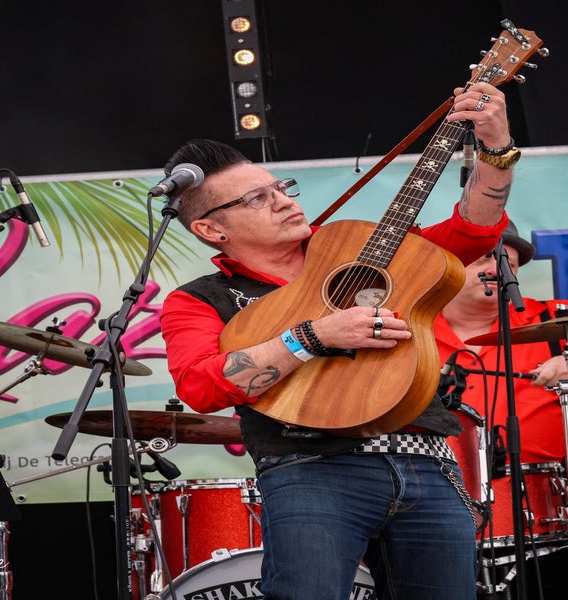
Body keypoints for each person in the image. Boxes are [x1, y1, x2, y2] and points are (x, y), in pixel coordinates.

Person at [158, 82, 518, 599]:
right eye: (258, 199)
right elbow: (201, 385)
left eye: (281, 187)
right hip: (310, 470)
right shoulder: (199, 299)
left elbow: (471, 233)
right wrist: (312, 336)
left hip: (427, 460)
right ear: (212, 230)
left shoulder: (357, 247)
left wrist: (497, 149)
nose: (283, 201)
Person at [434, 220, 568, 599]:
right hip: (435, 485)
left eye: (508, 264)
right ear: (448, 265)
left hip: (549, 489)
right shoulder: (410, 326)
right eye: (483, 258)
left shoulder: (554, 320)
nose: (496, 269)